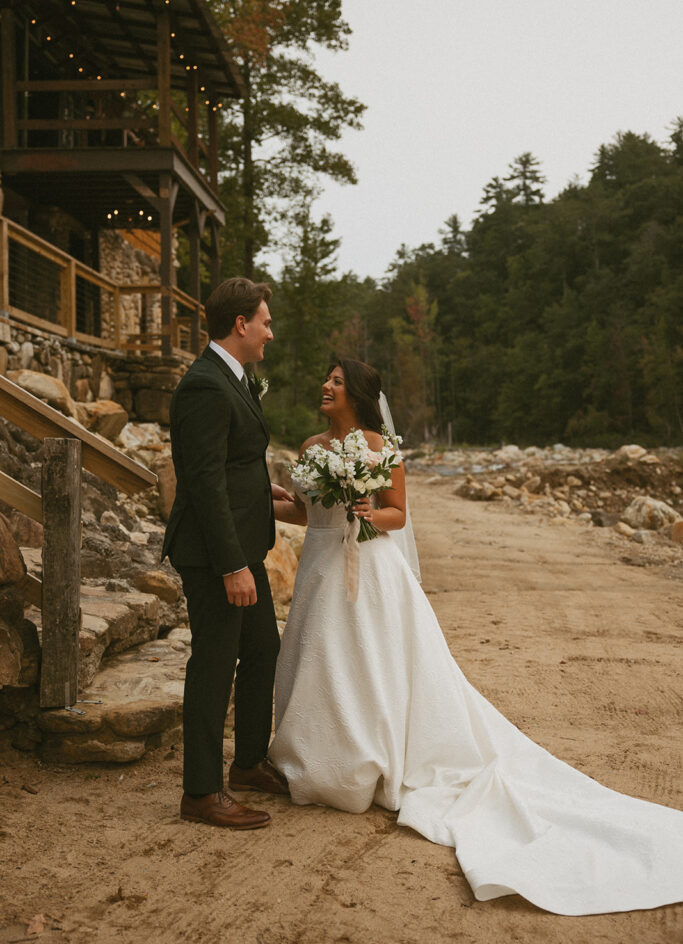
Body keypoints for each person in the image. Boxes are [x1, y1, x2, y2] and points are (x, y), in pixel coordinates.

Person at [269, 357, 683, 915]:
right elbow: (305, 512)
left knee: (367, 666)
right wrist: (264, 502)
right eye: (327, 378)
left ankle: (367, 760)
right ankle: (314, 760)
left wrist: (362, 511)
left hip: (370, 571)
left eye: (337, 381)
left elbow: (397, 515)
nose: (326, 385)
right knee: (318, 664)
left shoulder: (381, 446)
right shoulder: (312, 445)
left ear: (359, 393)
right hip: (321, 568)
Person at [162, 277, 292, 830]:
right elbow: (204, 481)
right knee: (214, 665)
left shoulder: (234, 378)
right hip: (217, 555)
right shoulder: (204, 386)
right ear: (240, 324)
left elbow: (235, 461)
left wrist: (265, 492)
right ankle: (200, 793)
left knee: (264, 648)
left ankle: (247, 762)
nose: (269, 332)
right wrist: (231, 566)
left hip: (244, 548)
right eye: (264, 321)